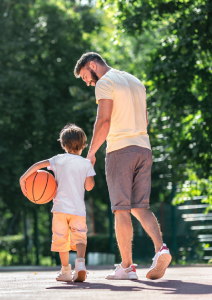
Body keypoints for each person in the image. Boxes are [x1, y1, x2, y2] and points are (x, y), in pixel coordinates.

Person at [74, 52, 172, 280]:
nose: (88, 82)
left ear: (92, 65)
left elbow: (104, 120)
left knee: (121, 208)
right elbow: (145, 120)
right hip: (144, 149)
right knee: (141, 207)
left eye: (86, 77)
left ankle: (127, 267)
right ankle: (161, 249)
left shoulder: (105, 83)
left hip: (120, 150)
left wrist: (91, 153)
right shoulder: (136, 81)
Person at [19, 124, 96, 282]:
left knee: (61, 239)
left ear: (63, 144)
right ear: (83, 145)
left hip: (60, 209)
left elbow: (38, 166)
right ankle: (80, 264)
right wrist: (90, 169)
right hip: (78, 210)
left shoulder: (58, 160)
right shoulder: (85, 163)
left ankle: (65, 271)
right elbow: (89, 187)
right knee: (80, 237)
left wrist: (23, 178)